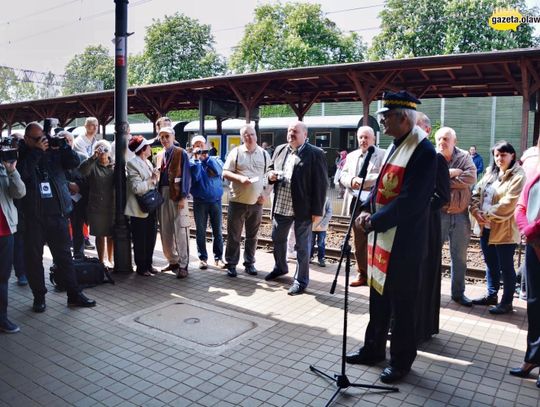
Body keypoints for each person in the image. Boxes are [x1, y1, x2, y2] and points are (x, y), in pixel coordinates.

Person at [346, 90, 436, 384]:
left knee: (402, 305)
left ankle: (401, 362)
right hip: (382, 240)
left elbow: (411, 200)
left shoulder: (423, 152)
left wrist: (374, 220)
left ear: (402, 117)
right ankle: (373, 349)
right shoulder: (395, 145)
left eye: (385, 117)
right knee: (378, 297)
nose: (381, 121)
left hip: (404, 244)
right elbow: (381, 187)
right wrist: (365, 207)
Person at [17, 122, 96, 312]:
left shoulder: (54, 152)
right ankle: (39, 297)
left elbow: (74, 163)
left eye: (42, 137)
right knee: (34, 259)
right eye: (37, 139)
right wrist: (36, 152)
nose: (42, 141)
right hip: (33, 217)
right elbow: (22, 174)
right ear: (27, 139)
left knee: (64, 258)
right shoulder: (21, 154)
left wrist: (63, 147)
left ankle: (74, 294)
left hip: (58, 214)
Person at [265, 121, 328, 295]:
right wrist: (270, 175)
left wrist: (318, 211)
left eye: (295, 131)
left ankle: (301, 281)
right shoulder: (280, 149)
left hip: (303, 208)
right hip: (281, 204)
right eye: (289, 131)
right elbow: (270, 168)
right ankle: (280, 267)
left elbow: (321, 185)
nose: (291, 133)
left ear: (305, 135)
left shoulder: (315, 154)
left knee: (302, 246)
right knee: (277, 237)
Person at [470, 141, 526, 314]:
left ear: (512, 155)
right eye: (496, 155)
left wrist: (485, 215)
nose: (499, 158)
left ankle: (506, 302)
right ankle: (492, 295)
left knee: (506, 266)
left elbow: (509, 203)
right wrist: (474, 209)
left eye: (503, 155)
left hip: (504, 229)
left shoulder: (518, 175)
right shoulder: (490, 173)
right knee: (490, 263)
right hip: (485, 227)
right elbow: (476, 192)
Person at [414, 112, 450, 342]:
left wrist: (417, 207)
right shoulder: (407, 153)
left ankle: (422, 326)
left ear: (427, 130)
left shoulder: (435, 158)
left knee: (424, 276)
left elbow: (442, 196)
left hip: (426, 225)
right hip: (411, 225)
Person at [436, 127, 477, 306]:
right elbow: (430, 180)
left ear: (455, 141)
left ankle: (458, 294)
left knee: (459, 257)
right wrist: (452, 173)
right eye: (438, 139)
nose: (441, 143)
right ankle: (431, 292)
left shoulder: (465, 157)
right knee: (433, 254)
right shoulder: (432, 157)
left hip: (460, 215)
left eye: (445, 139)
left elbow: (471, 177)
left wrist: (443, 180)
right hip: (439, 214)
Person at [222, 125, 271, 277]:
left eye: (252, 134)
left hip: (257, 202)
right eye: (246, 135)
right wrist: (240, 178)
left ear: (256, 135)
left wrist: (266, 194)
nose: (250, 137)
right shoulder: (236, 152)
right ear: (242, 137)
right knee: (234, 235)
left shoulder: (264, 154)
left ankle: (249, 263)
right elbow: (225, 172)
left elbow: (270, 176)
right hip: (237, 201)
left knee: (252, 236)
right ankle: (231, 263)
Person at [339, 126, 384, 287]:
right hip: (355, 201)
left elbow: (383, 176)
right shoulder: (351, 156)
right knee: (359, 241)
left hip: (374, 203)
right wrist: (352, 181)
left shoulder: (383, 155)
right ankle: (362, 274)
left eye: (366, 137)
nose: (363, 140)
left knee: (377, 240)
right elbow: (342, 175)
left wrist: (363, 181)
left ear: (374, 139)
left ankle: (377, 275)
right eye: (360, 137)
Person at [511, 142, 540, 388]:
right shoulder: (536, 174)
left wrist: (531, 230)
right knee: (534, 304)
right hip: (534, 246)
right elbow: (521, 205)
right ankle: (532, 358)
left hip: (536, 239)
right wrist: (526, 229)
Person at [155, 127, 191, 278]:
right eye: (162, 137)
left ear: (173, 137)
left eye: (167, 136)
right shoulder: (159, 154)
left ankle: (183, 264)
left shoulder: (181, 153)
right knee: (165, 230)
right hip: (162, 194)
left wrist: (183, 197)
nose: (164, 139)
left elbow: (187, 176)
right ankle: (172, 260)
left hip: (177, 195)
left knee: (181, 230)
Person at [125, 136, 159, 276]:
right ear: (143, 149)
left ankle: (149, 264)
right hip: (139, 208)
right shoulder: (132, 163)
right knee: (140, 238)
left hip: (150, 205)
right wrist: (151, 180)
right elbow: (136, 188)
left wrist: (155, 177)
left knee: (151, 236)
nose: (151, 148)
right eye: (148, 146)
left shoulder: (148, 162)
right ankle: (141, 267)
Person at [190, 135, 225, 269]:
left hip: (216, 200)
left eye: (202, 145)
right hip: (200, 201)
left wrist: (207, 159)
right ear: (193, 148)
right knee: (200, 231)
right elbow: (195, 178)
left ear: (206, 146)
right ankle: (203, 258)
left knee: (218, 231)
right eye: (197, 145)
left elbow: (219, 171)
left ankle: (218, 258)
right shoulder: (191, 162)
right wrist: (197, 161)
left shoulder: (215, 159)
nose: (200, 147)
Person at [79, 140, 115, 268]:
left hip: (112, 205)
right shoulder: (92, 165)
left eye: (105, 149)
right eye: (99, 149)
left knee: (112, 235)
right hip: (97, 206)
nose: (103, 152)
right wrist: (93, 157)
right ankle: (101, 262)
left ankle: (110, 260)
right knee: (100, 235)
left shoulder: (114, 164)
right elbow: (82, 171)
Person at [0, 154, 26, 333]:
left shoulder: (3, 168)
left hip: (5, 230)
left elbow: (19, 193)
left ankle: (2, 318)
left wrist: (12, 171)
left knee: (2, 278)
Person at [311, 197, 332, 267]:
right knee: (310, 243)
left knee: (321, 243)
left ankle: (321, 258)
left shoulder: (326, 199)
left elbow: (329, 214)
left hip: (322, 228)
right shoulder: (310, 196)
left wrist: (322, 225)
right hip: (311, 226)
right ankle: (309, 257)